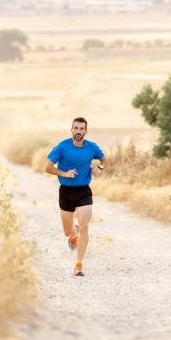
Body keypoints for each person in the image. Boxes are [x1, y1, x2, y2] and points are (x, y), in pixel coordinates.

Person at [45, 117, 106, 277]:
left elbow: (104, 160)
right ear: (72, 130)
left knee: (85, 225)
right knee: (67, 231)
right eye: (76, 128)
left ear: (86, 131)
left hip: (83, 191)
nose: (79, 131)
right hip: (66, 191)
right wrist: (64, 173)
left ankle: (78, 265)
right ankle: (73, 234)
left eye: (82, 129)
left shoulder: (92, 147)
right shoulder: (62, 147)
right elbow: (48, 168)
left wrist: (99, 168)